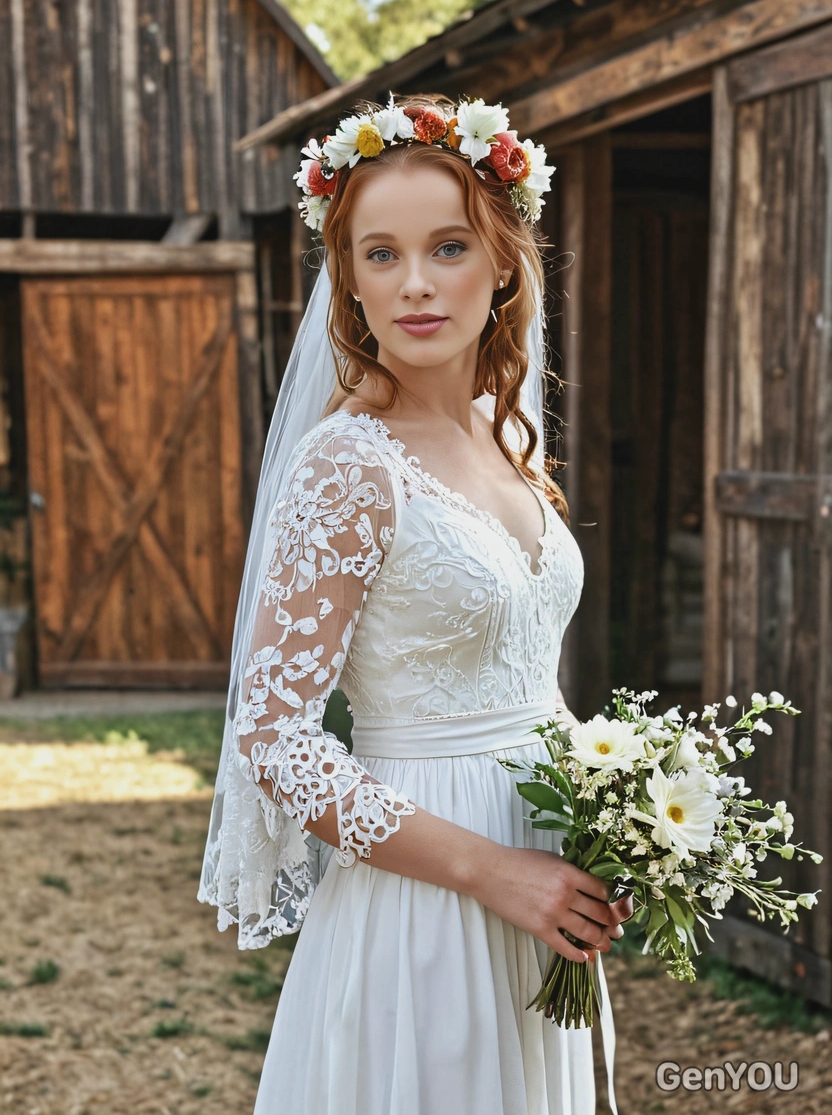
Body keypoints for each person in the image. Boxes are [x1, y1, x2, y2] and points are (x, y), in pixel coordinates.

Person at [198, 95, 632, 1115]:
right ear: (347, 277)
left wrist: (625, 803)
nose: (417, 284)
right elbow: (275, 737)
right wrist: (487, 870)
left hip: (540, 868)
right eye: (380, 254)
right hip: (427, 890)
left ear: (503, 259)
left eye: (447, 246)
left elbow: (522, 675)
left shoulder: (499, 434)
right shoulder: (348, 463)